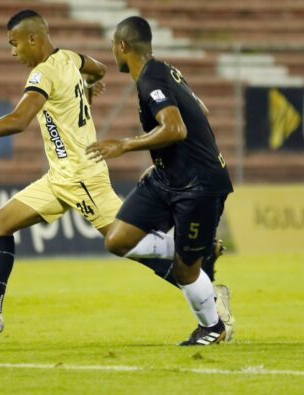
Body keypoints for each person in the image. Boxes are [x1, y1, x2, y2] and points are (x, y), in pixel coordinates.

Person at [0, 10, 231, 340]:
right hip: (59, 176)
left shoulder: (43, 75)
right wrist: (87, 87)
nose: (12, 52)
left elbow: (18, 120)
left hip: (82, 176)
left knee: (127, 244)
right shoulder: (69, 58)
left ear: (33, 38)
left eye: (14, 44)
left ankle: (208, 291)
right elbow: (97, 68)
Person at [86, 16, 235, 346]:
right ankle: (200, 249)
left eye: (113, 45)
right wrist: (162, 162)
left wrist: (125, 144)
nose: (112, 51)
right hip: (168, 177)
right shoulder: (165, 70)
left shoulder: (150, 77)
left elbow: (176, 128)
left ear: (122, 46)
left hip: (199, 186)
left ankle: (212, 327)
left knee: (185, 272)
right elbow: (201, 110)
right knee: (117, 240)